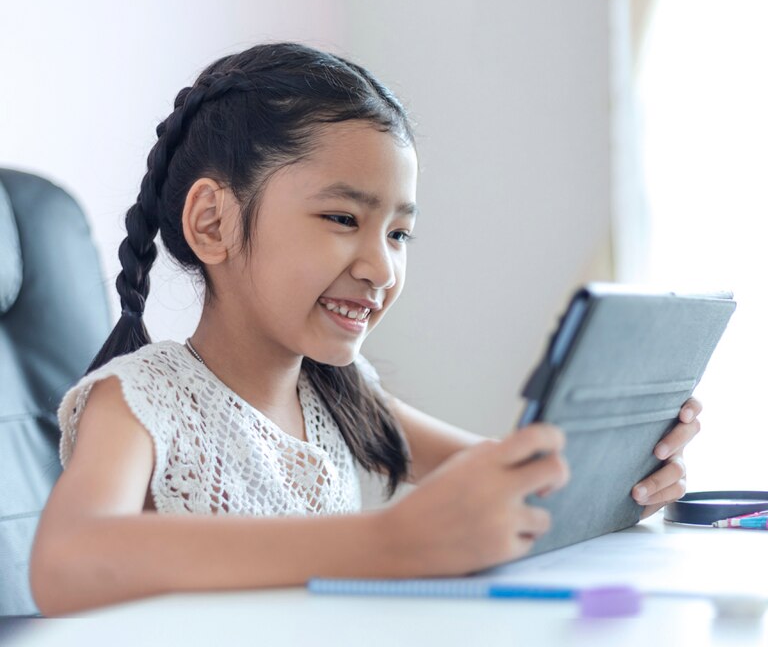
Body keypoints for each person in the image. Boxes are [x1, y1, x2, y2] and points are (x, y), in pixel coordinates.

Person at [29, 43, 699, 616]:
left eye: (400, 232)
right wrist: (384, 542)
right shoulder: (141, 400)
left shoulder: (342, 393)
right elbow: (66, 563)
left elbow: (518, 484)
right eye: (343, 219)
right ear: (214, 223)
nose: (381, 266)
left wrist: (629, 468)